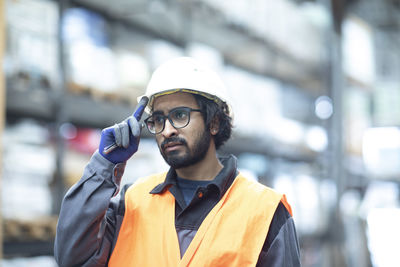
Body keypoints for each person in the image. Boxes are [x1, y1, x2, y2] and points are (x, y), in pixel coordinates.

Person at [54, 57, 301, 266]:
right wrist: (104, 165)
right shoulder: (131, 203)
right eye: (158, 120)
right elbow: (71, 257)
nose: (167, 130)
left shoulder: (265, 212)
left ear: (214, 122)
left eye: (180, 115)